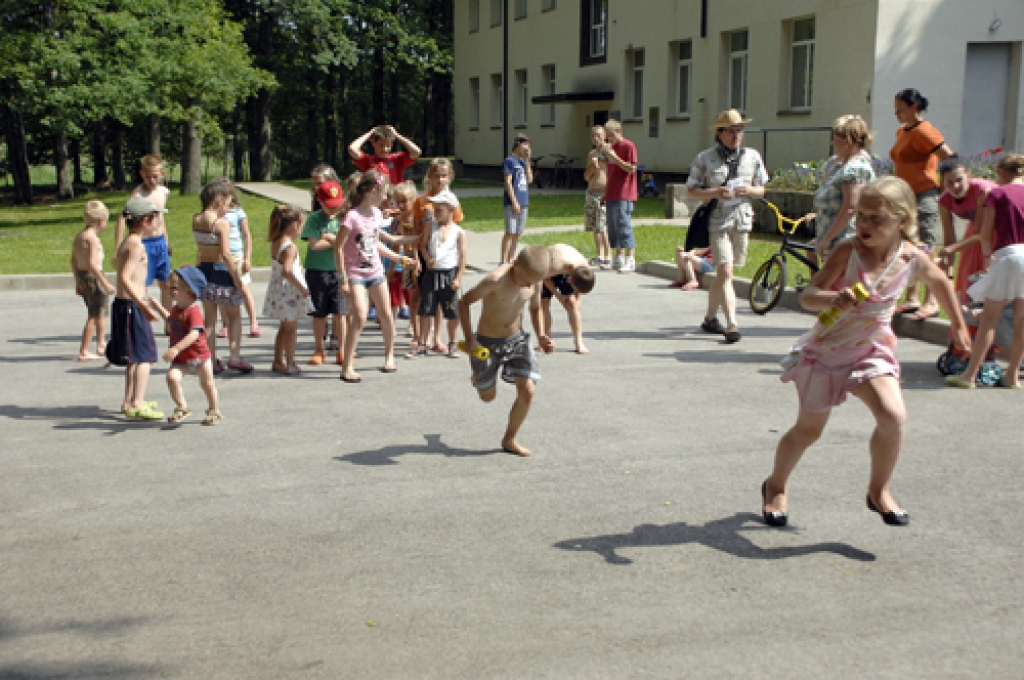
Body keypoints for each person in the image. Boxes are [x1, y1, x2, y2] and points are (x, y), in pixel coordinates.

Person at [762, 177, 969, 528]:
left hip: (870, 351)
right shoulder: (848, 250)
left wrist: (959, 327)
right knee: (808, 431)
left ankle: (879, 491)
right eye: (862, 216)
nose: (865, 225)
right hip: (827, 351)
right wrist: (834, 298)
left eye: (877, 218)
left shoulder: (911, 258)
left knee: (893, 417)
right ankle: (776, 486)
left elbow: (942, 283)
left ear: (901, 221)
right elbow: (809, 296)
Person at [459, 246, 550, 457]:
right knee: (487, 397)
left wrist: (542, 334)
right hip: (486, 345)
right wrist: (470, 340)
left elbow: (535, 309)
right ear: (515, 264)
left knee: (528, 389)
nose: (528, 285)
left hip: (517, 340)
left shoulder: (533, 280)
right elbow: (463, 302)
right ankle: (480, 379)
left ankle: (509, 439)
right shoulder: (495, 280)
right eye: (525, 280)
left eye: (532, 282)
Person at [686, 109, 768, 343]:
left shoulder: (752, 156)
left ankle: (710, 317)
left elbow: (763, 188)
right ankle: (732, 323)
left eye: (740, 130)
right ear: (719, 133)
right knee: (726, 270)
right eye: (731, 131)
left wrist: (750, 191)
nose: (737, 135)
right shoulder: (705, 158)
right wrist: (715, 192)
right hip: (718, 221)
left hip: (741, 220)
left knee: (725, 273)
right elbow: (692, 189)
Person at [946, 154, 1024, 389]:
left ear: (1001, 173)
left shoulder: (995, 194)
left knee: (989, 319)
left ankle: (969, 375)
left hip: (1007, 255)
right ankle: (1012, 375)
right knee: (1022, 320)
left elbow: (985, 233)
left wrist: (988, 259)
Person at [334, 171, 418, 383]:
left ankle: (389, 356)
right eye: (383, 194)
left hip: (376, 271)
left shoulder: (377, 214)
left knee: (387, 314)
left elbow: (378, 242)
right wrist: (342, 277)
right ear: (373, 191)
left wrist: (400, 257)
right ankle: (347, 366)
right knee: (360, 315)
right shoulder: (352, 216)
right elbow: (338, 247)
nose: (386, 198)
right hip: (355, 273)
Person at [890, 88, 954, 320]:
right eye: (895, 108)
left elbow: (950, 157)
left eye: (900, 108)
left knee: (926, 247)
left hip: (924, 195)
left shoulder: (925, 131)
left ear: (914, 107)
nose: (896, 113)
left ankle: (932, 300)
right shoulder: (902, 131)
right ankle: (911, 298)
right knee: (907, 248)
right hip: (904, 197)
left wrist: (947, 189)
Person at [106, 197, 165, 421]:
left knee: (133, 356)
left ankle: (129, 401)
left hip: (128, 304)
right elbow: (124, 277)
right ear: (145, 221)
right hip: (132, 306)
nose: (158, 222)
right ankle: (137, 402)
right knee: (144, 357)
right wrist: (143, 305)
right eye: (155, 218)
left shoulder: (129, 242)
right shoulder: (136, 244)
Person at [148, 266, 221, 425]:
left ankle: (214, 410)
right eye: (171, 287)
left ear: (190, 291)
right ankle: (182, 406)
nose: (171, 290)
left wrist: (175, 348)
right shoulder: (177, 309)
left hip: (199, 356)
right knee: (172, 378)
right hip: (182, 358)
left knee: (207, 383)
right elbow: (171, 320)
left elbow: (194, 334)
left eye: (175, 287)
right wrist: (158, 307)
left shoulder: (193, 311)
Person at [193, 179, 252, 374]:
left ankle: (210, 358)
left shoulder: (196, 219)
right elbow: (226, 253)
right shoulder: (221, 224)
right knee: (234, 316)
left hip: (204, 271)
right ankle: (234, 356)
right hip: (222, 271)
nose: (228, 208)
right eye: (227, 203)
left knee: (210, 320)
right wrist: (236, 278)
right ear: (219, 201)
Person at [936, 157, 997, 332]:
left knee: (991, 289)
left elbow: (982, 233)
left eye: (959, 180)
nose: (955, 186)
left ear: (969, 176)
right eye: (949, 182)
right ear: (943, 183)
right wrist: (948, 270)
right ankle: (965, 342)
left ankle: (991, 345)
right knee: (967, 286)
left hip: (999, 231)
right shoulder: (944, 201)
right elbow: (949, 238)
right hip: (976, 232)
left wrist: (950, 249)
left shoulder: (983, 191)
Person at [412, 158, 466, 352]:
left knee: (444, 302)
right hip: (427, 255)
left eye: (444, 176)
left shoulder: (453, 202)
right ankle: (422, 338)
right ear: (430, 177)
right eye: (437, 176)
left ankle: (438, 338)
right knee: (425, 299)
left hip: (446, 259)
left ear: (449, 177)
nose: (440, 179)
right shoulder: (421, 201)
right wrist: (418, 257)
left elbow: (455, 231)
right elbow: (416, 233)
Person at [115, 154, 172, 333]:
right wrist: (118, 248)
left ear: (162, 174)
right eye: (148, 176)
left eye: (155, 176)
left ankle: (169, 322)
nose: (152, 180)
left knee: (166, 283)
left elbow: (161, 219)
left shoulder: (163, 192)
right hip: (145, 242)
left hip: (160, 241)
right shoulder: (138, 194)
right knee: (143, 283)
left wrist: (166, 240)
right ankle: (141, 318)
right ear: (141, 174)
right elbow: (123, 219)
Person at [807, 115, 876, 260]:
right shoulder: (840, 164)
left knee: (842, 281)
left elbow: (851, 207)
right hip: (834, 236)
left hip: (844, 238)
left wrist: (827, 239)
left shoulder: (856, 168)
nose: (833, 143)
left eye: (836, 140)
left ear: (848, 142)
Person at [302, 180, 348, 366]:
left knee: (340, 313)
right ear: (320, 202)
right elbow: (315, 245)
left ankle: (343, 349)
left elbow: (346, 244)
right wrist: (336, 241)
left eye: (336, 206)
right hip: (317, 272)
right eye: (329, 206)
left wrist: (329, 237)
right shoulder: (314, 219)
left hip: (339, 271)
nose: (333, 210)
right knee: (319, 314)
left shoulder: (344, 218)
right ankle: (319, 349)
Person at [264, 204, 311, 375]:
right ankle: (290, 363)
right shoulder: (290, 247)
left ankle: (278, 360)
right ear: (293, 225)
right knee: (291, 329)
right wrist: (303, 289)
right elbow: (287, 270)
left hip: (278, 291)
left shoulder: (276, 243)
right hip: (289, 291)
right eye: (301, 225)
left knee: (284, 327)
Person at [71, 200, 115, 361]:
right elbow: (92, 264)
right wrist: (105, 282)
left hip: (83, 276)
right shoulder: (93, 239)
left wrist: (77, 281)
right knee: (95, 314)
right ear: (101, 221)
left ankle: (101, 342)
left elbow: (74, 261)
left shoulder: (80, 236)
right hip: (94, 276)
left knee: (101, 311)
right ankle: (84, 350)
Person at [533, 244, 595, 355]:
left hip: (567, 266)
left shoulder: (584, 266)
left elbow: (581, 285)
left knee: (572, 303)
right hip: (548, 266)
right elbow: (544, 277)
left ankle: (578, 341)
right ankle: (545, 339)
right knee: (544, 303)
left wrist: (578, 299)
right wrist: (559, 296)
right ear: (571, 279)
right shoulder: (556, 265)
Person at [217, 189, 260, 339]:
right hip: (221, 254)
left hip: (236, 254)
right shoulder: (216, 214)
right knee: (222, 290)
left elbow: (247, 235)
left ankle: (253, 322)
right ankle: (225, 324)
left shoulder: (237, 212)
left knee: (242, 287)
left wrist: (247, 258)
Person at [602, 119, 639, 273]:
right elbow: (610, 173)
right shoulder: (611, 148)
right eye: (607, 136)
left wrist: (615, 158)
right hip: (612, 192)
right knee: (613, 226)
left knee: (624, 225)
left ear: (619, 132)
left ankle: (630, 258)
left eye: (611, 136)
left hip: (624, 192)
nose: (609, 139)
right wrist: (606, 193)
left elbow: (632, 168)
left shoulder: (628, 146)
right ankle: (618, 257)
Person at [389, 180, 420, 326]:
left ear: (414, 200)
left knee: (422, 297)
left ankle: (427, 327)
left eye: (404, 201)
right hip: (406, 262)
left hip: (421, 259)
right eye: (397, 202)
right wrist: (391, 268)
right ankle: (414, 329)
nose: (400, 205)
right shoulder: (397, 222)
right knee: (411, 298)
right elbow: (395, 246)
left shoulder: (419, 220)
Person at [348, 125, 421, 186]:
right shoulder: (367, 160)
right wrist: (370, 133)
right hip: (375, 199)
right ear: (373, 143)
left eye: (388, 146)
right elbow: (352, 149)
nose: (384, 149)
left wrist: (396, 135)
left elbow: (417, 152)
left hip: (394, 198)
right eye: (381, 145)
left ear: (392, 144)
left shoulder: (397, 158)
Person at [501, 133, 533, 264]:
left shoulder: (522, 162)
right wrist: (514, 202)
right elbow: (508, 182)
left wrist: (527, 162)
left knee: (517, 233)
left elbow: (530, 180)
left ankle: (510, 258)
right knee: (510, 232)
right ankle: (503, 261)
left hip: (524, 201)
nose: (527, 148)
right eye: (525, 145)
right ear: (518, 145)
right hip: (512, 202)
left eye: (529, 146)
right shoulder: (510, 161)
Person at [584, 125, 611, 268]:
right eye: (593, 135)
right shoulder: (591, 154)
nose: (596, 138)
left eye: (599, 135)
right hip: (591, 192)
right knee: (594, 226)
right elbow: (587, 176)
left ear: (605, 136)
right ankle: (599, 255)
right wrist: (593, 167)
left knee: (603, 226)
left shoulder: (609, 152)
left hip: (603, 193)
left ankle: (608, 255)